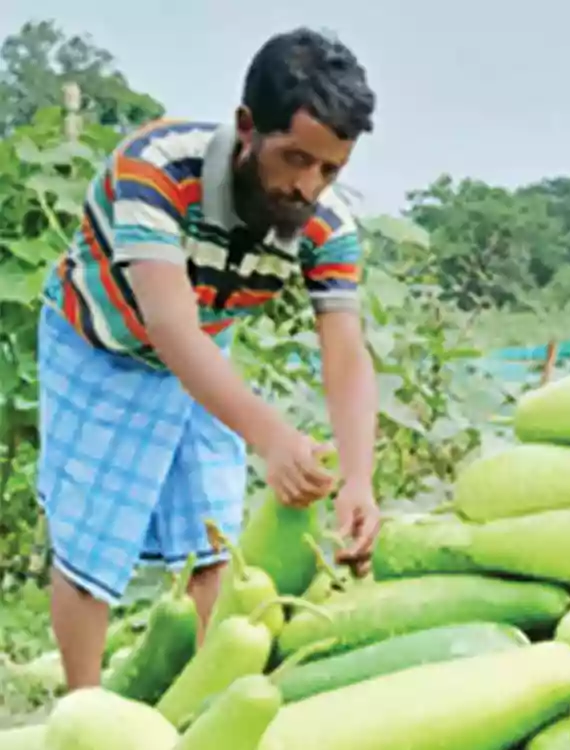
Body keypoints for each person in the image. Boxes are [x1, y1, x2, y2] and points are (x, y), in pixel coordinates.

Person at [36, 26, 383, 691]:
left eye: (329, 169)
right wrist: (272, 438)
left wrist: (359, 480)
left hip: (204, 342)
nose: (307, 186)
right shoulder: (156, 170)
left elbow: (345, 351)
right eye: (294, 159)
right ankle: (81, 710)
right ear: (247, 127)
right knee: (90, 540)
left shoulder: (327, 224)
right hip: (101, 344)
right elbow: (168, 326)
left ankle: (199, 702)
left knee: (214, 536)